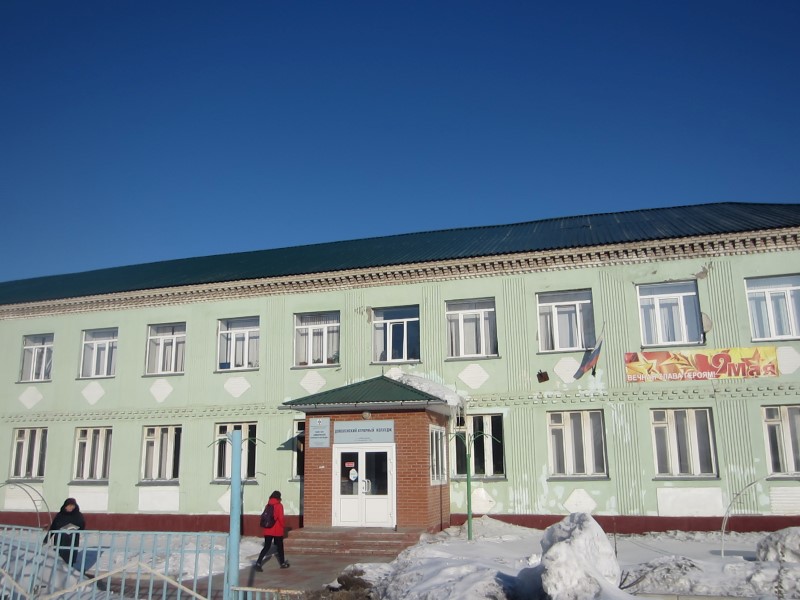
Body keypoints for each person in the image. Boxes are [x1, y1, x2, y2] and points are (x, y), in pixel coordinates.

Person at [254, 490, 290, 570]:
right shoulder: (279, 505)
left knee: (266, 547)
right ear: (279, 497)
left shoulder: (268, 505)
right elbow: (281, 518)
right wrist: (284, 526)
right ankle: (282, 563)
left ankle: (258, 562)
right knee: (280, 547)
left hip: (268, 530)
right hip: (277, 530)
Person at [46, 497, 86, 568]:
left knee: (70, 557)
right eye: (69, 506)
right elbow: (53, 526)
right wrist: (46, 539)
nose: (71, 508)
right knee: (59, 557)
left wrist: (73, 528)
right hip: (60, 540)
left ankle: (69, 570)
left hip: (72, 539)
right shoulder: (60, 515)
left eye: (73, 506)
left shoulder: (78, 515)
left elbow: (82, 525)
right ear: (65, 506)